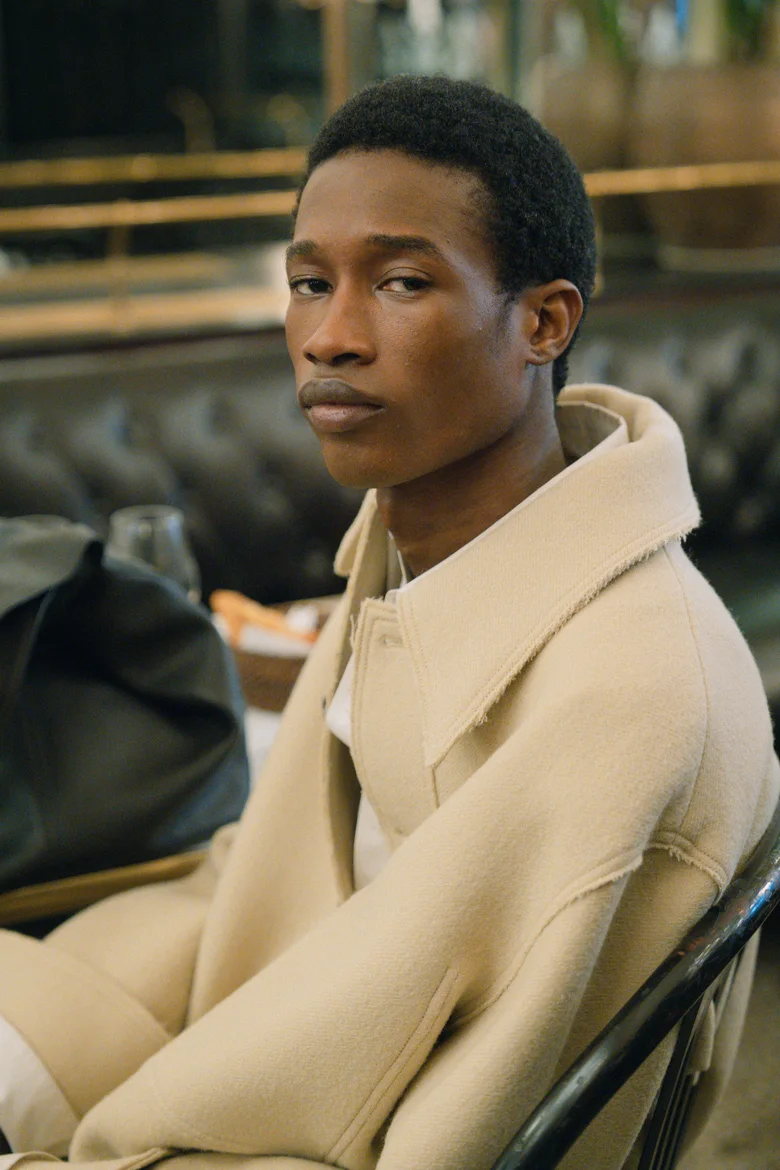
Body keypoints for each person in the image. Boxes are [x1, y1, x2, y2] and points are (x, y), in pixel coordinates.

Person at [0, 75, 777, 1170]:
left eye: (403, 282)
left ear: (543, 321)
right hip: (272, 1023)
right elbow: (278, 888)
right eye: (309, 283)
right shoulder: (411, 540)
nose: (330, 336)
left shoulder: (632, 695)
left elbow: (466, 1131)